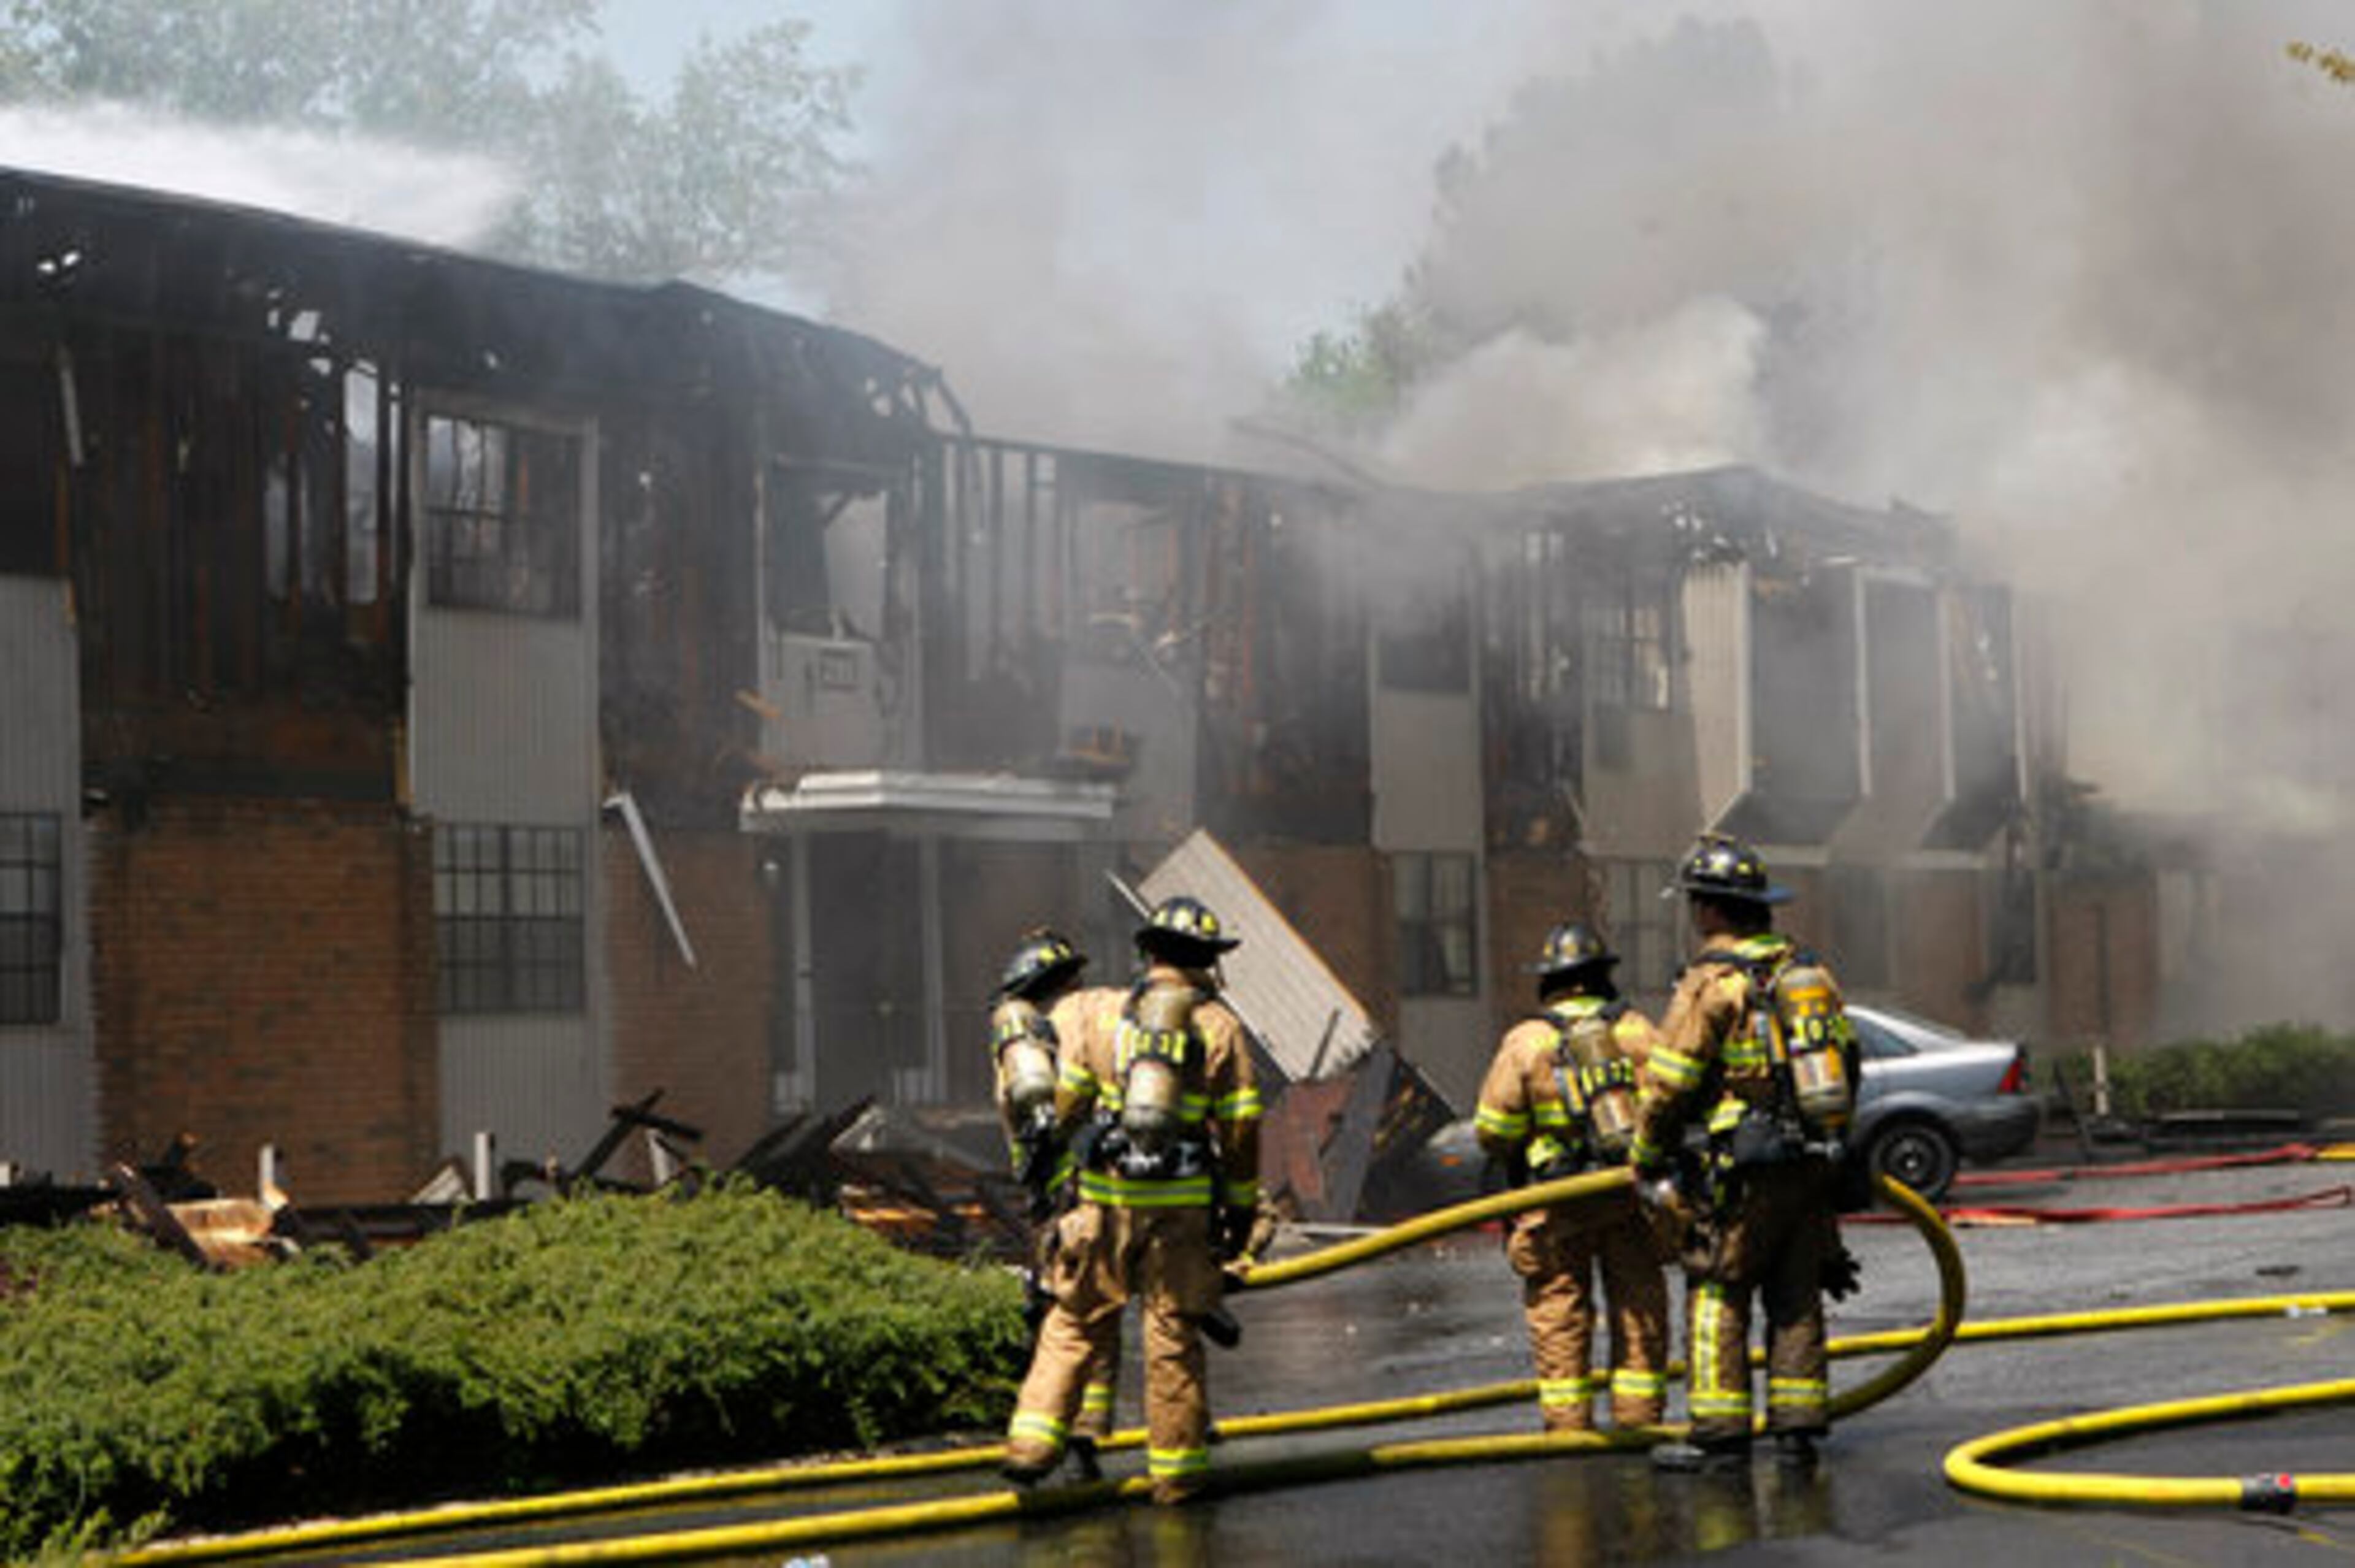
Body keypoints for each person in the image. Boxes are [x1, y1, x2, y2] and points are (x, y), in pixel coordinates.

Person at [1000, 895, 1263, 1504]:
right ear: (1207, 963)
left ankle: (1031, 1446)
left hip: (1100, 1206)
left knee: (1072, 1323)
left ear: (1148, 953)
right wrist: (1243, 1210)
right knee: (1171, 1337)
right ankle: (1175, 1476)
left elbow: (1067, 1105)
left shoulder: (1100, 1017)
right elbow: (1243, 1127)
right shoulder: (1219, 1027)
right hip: (1180, 1217)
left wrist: (1059, 1182)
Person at [1629, 833, 1860, 1474]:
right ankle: (1798, 1429)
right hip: (1810, 1159)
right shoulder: (1808, 972)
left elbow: (1671, 1080)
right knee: (1795, 1294)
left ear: (1711, 910)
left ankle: (1720, 1435)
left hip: (1739, 1168)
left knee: (1717, 1292)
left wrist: (1646, 1155)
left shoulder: (1714, 983)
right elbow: (1850, 1060)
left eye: (1696, 904)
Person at [1474, 921, 1670, 1433]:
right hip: (1627, 1195)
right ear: (1601, 976)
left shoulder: (1528, 1041)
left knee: (1559, 1314)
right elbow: (1670, 1104)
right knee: (1638, 1310)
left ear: (1551, 981)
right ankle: (1640, 1424)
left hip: (1555, 1201)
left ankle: (1567, 1431)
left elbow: (1494, 1130)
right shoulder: (1637, 1030)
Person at [987, 927, 1123, 1479]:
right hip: (1081, 1193)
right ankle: (1062, 1435)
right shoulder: (1052, 1030)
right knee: (1081, 1312)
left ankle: (1075, 1433)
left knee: (1080, 1309)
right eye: (1071, 978)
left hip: (1059, 1196)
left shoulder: (1031, 1031)